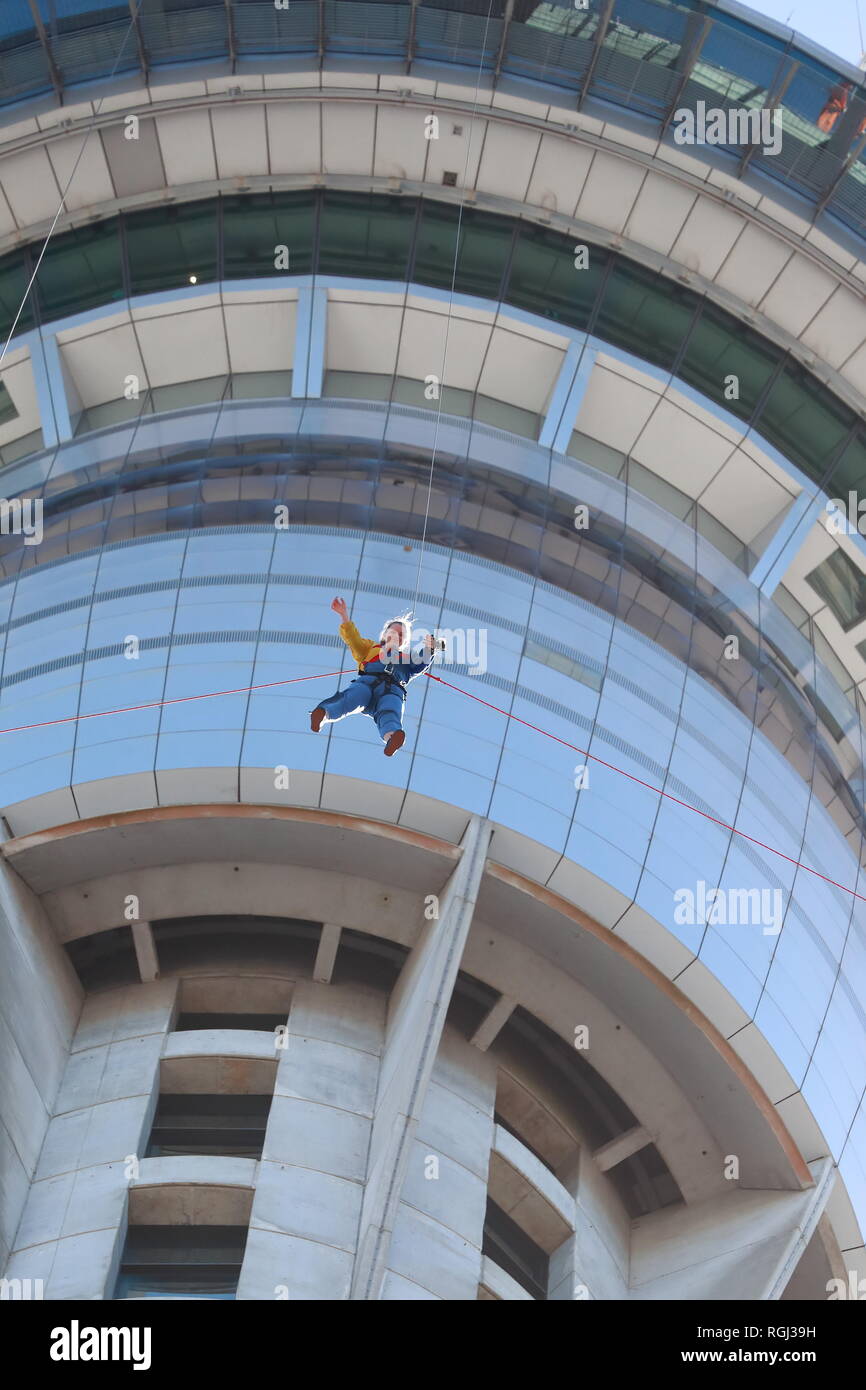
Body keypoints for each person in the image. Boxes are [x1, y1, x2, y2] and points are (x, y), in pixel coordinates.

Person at [310, 597, 442, 756]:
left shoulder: (407, 660)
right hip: (367, 683)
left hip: (392, 690)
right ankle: (323, 714)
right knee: (352, 698)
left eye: (401, 635)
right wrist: (344, 615)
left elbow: (421, 663)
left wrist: (430, 648)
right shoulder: (370, 647)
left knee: (390, 710)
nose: (397, 636)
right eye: (394, 632)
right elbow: (353, 640)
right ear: (385, 634)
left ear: (404, 641)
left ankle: (392, 737)